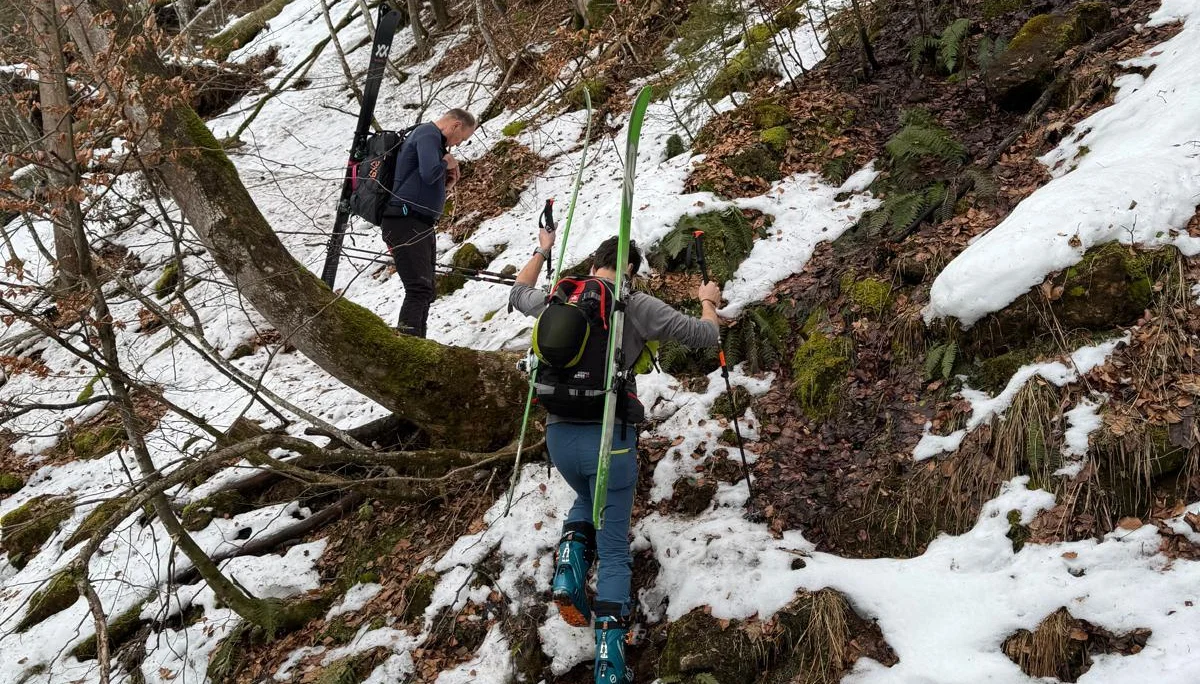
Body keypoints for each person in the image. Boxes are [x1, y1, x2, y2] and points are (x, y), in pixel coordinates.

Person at [509, 230, 722, 684]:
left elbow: (517, 291)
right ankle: (610, 660)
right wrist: (708, 300)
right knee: (613, 550)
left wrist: (543, 248)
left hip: (559, 436)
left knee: (587, 497)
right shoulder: (635, 306)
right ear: (630, 273)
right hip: (611, 441)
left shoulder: (560, 298)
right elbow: (706, 335)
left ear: (593, 265)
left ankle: (569, 565)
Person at [382, 108, 476, 337]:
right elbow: (429, 172)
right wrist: (447, 162)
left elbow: (424, 180)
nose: (458, 144)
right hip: (405, 221)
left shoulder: (434, 141)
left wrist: (446, 184)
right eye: (461, 138)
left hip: (420, 222)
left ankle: (418, 342)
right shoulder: (428, 134)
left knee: (426, 289)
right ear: (455, 125)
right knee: (418, 288)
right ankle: (408, 344)